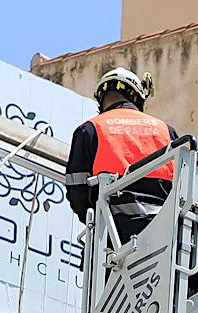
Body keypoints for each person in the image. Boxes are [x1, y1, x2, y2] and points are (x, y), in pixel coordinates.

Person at [63, 67, 180, 243]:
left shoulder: (90, 129)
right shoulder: (166, 131)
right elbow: (182, 186)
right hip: (165, 233)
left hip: (114, 237)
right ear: (135, 97)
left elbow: (77, 191)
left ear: (101, 100)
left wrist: (97, 223)